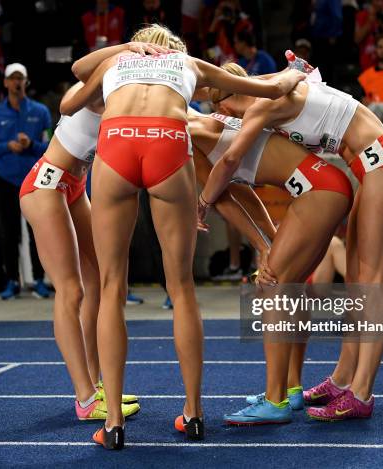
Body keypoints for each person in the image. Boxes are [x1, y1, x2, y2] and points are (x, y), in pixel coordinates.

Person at [66, 24, 305, 448]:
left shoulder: (116, 60)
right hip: (166, 142)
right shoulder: (188, 63)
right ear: (174, 49)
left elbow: (72, 90)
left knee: (109, 287)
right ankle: (194, 414)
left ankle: (114, 424)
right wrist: (296, 73)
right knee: (182, 288)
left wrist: (120, 49)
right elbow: (268, 91)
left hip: (118, 142)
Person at [200, 55, 383, 422]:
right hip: (368, 166)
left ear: (223, 104)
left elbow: (230, 161)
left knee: (372, 279)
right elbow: (286, 76)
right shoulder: (276, 88)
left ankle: (362, 391)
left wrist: (202, 202)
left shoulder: (263, 105)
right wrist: (293, 69)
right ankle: (344, 378)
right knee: (356, 281)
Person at [20, 82, 144, 425]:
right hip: (46, 186)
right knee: (71, 289)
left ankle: (95, 384)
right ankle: (85, 398)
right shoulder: (100, 83)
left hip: (73, 187)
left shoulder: (135, 94)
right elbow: (75, 85)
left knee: (98, 281)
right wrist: (123, 50)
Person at [0, 63, 53, 300]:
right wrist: (6, 146)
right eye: (12, 78)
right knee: (9, 232)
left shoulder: (40, 111)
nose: (16, 82)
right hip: (6, 179)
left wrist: (31, 145)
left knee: (38, 231)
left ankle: (40, 280)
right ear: (5, 82)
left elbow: (51, 145)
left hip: (35, 179)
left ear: (26, 81)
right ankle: (12, 280)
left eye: (20, 78)